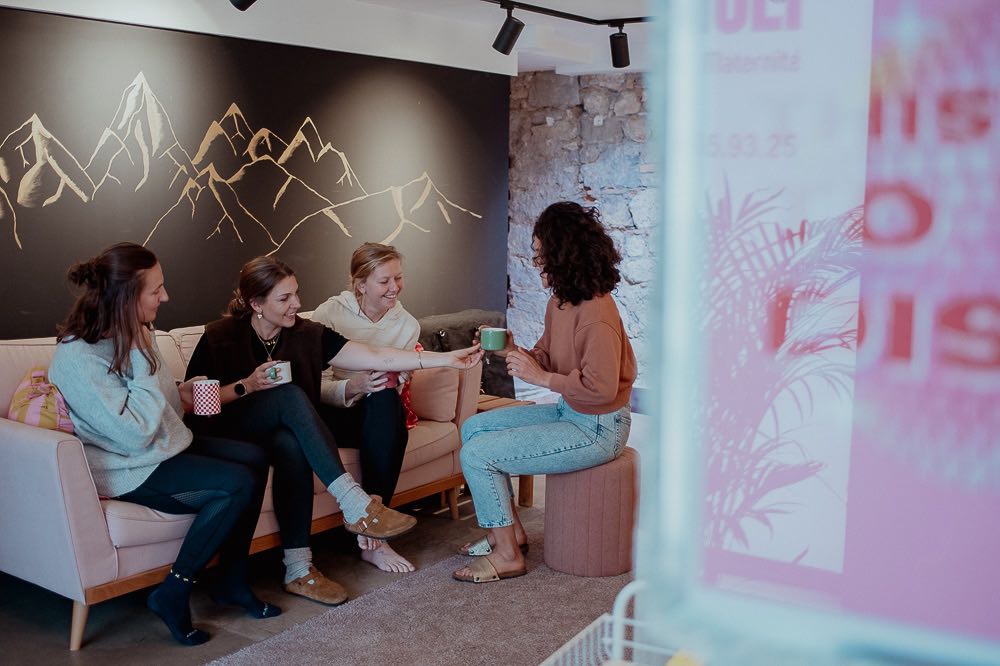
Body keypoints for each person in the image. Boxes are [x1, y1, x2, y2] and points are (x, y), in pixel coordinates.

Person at [184, 255, 481, 604]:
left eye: (296, 294)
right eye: (285, 299)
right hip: (231, 431)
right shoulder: (220, 336)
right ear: (256, 304)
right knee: (290, 396)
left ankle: (298, 569)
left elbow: (374, 354)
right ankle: (355, 503)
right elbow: (195, 404)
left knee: (291, 442)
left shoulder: (307, 334)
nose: (297, 304)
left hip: (282, 433)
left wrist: (444, 358)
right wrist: (247, 385)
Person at [49, 242, 281, 646]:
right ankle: (173, 591)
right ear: (125, 298)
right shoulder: (78, 358)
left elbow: (153, 401)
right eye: (156, 290)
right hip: (128, 467)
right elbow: (134, 433)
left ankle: (231, 579)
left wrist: (180, 390)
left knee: (257, 457)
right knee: (236, 483)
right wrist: (140, 353)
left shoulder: (136, 329)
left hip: (165, 446)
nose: (165, 297)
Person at [453, 202, 636, 584]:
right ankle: (512, 534)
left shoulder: (597, 314)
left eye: (540, 254)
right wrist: (511, 350)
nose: (536, 262)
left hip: (599, 428)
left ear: (562, 255)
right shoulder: (562, 302)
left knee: (477, 454)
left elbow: (600, 388)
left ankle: (507, 556)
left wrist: (542, 379)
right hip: (572, 413)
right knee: (474, 429)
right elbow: (548, 355)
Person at [312, 243, 419, 574]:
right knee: (387, 417)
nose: (394, 288)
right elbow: (310, 386)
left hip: (372, 417)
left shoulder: (406, 325)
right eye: (384, 281)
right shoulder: (328, 315)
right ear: (360, 284)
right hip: (329, 414)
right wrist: (352, 386)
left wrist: (395, 379)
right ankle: (376, 531)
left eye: (398, 278)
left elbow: (395, 384)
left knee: (387, 402)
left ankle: (374, 530)